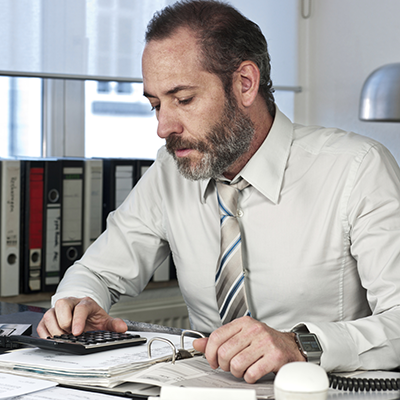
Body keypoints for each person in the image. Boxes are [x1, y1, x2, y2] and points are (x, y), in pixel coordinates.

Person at [38, 0, 400, 384]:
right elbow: (97, 271)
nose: (163, 127)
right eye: (155, 105)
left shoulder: (357, 168)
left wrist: (302, 344)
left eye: (184, 99)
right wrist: (78, 304)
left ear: (245, 83)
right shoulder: (169, 172)